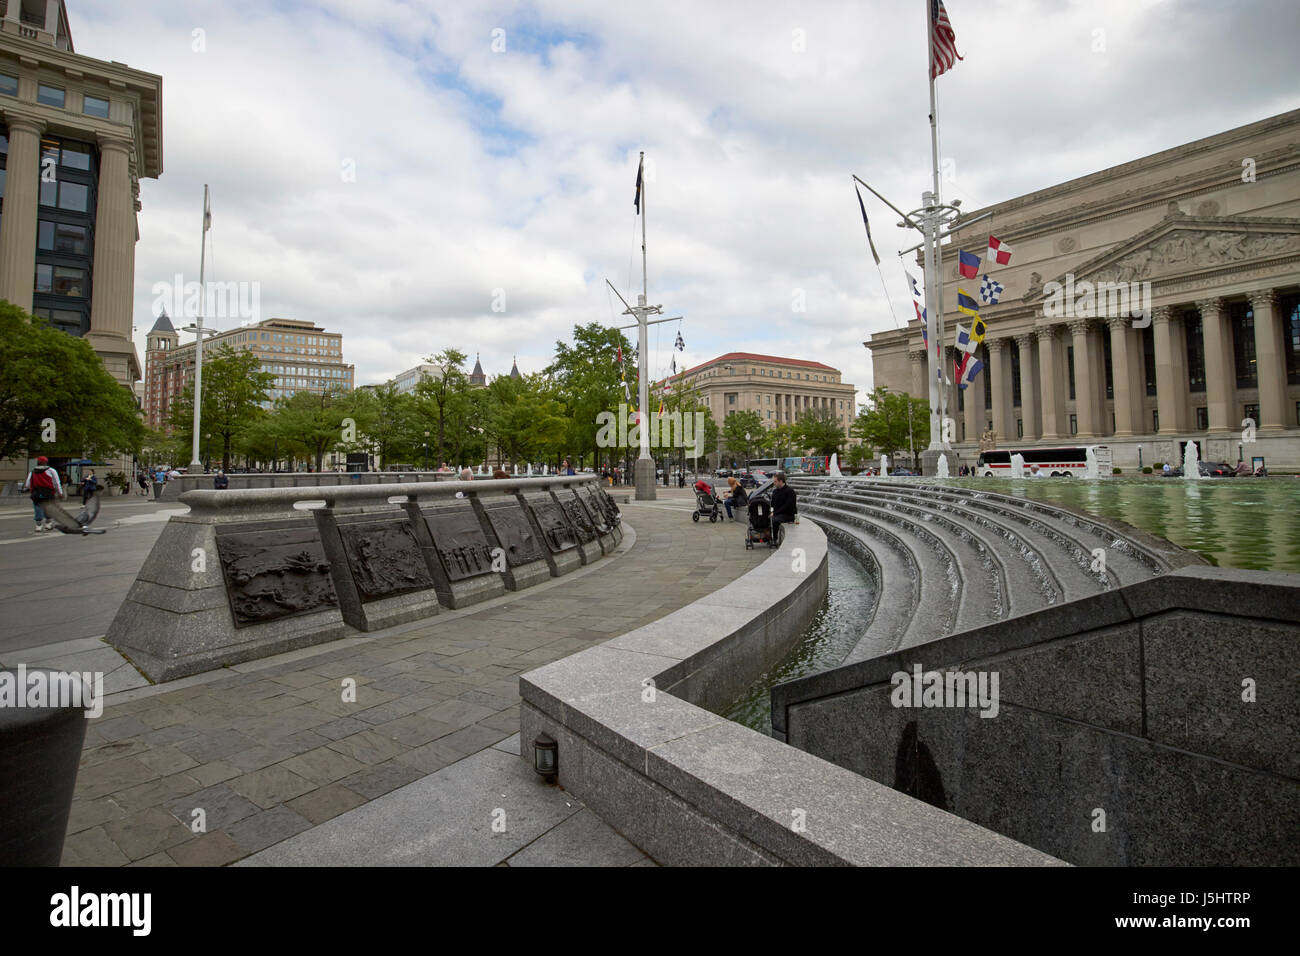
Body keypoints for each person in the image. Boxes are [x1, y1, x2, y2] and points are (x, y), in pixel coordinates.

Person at [21, 455, 64, 533]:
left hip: (36, 492)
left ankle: (38, 525)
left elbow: (27, 484)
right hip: (48, 492)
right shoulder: (51, 470)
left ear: (38, 462)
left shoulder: (33, 471)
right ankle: (48, 524)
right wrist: (60, 493)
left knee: (37, 507)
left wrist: (24, 489)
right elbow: (57, 483)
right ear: (46, 462)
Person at [770, 472, 797, 545]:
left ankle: (774, 539)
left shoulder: (790, 491)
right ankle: (767, 537)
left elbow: (788, 506)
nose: (774, 483)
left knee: (775, 520)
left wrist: (775, 513)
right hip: (778, 513)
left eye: (775, 481)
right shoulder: (775, 491)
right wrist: (771, 512)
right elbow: (772, 505)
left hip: (788, 515)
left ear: (781, 481)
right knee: (765, 517)